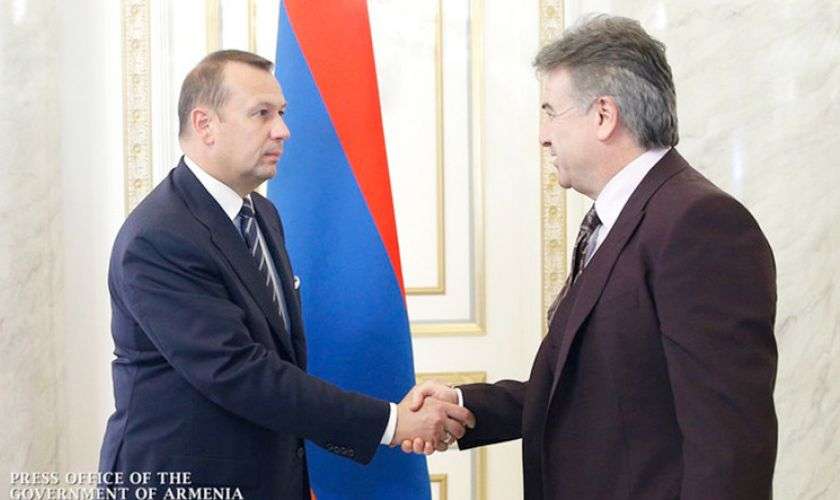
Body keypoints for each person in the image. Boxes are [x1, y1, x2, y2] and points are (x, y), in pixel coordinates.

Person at [406, 15, 778, 500]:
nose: (543, 135)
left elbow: (730, 444)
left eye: (550, 112)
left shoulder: (700, 223)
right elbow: (596, 389)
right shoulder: (622, 217)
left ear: (603, 115)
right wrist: (463, 405)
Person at [98, 49, 474, 499]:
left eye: (281, 113)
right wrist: (392, 423)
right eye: (262, 113)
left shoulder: (262, 214)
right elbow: (238, 372)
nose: (282, 130)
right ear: (204, 124)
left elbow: (278, 358)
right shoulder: (160, 237)